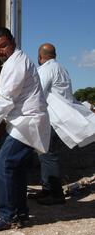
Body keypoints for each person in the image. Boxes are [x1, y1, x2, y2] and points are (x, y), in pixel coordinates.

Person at [0, 28, 51, 231]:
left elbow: (6, 97)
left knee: (3, 163)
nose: (0, 51)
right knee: (15, 168)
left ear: (13, 42)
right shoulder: (13, 62)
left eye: (3, 46)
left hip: (27, 123)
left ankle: (6, 216)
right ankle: (20, 213)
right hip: (23, 123)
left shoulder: (16, 63)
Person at [30, 43, 95, 205]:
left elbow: (38, 94)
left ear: (39, 57)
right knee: (46, 154)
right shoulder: (62, 69)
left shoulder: (46, 70)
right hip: (61, 117)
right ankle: (47, 190)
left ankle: (56, 194)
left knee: (48, 155)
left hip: (53, 118)